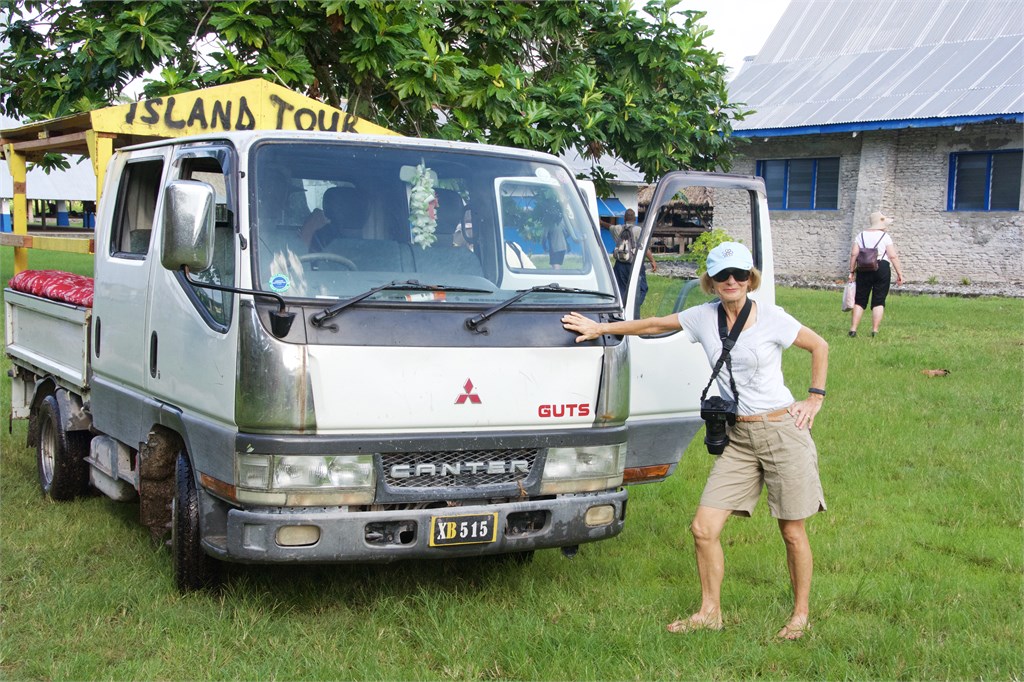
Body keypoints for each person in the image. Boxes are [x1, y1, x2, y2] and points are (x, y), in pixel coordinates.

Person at [561, 241, 829, 640]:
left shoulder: (772, 318)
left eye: (739, 274)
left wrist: (814, 398)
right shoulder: (703, 317)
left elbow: (819, 345)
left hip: (782, 431)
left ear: (750, 278)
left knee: (792, 531)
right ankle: (709, 613)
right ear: (711, 281)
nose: (731, 281)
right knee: (703, 529)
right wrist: (600, 328)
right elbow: (653, 325)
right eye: (722, 275)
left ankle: (800, 615)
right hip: (738, 436)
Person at [847, 211, 905, 337]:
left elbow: (854, 254)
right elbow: (892, 256)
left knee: (860, 299)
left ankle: (853, 329)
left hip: (863, 268)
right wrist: (899, 273)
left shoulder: (860, 235)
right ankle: (874, 330)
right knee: (879, 300)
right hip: (882, 267)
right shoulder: (885, 237)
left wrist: (851, 271)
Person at [607, 209, 657, 306]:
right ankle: (633, 307)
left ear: (624, 218)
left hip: (619, 265)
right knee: (642, 288)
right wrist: (652, 261)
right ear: (634, 219)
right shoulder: (638, 230)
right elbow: (645, 248)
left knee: (621, 289)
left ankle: (623, 308)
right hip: (635, 264)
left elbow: (608, 226)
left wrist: (601, 222)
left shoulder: (617, 229)